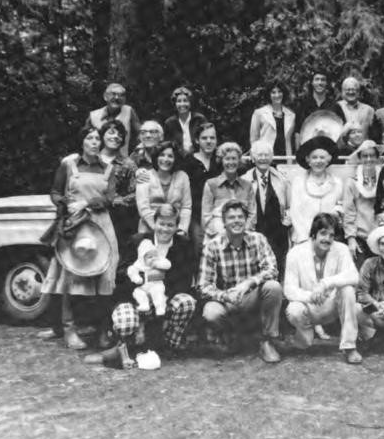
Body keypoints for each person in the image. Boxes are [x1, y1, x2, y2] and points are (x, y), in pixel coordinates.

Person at [85, 204, 199, 368]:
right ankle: (124, 348)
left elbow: (185, 279)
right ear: (155, 222)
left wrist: (161, 294)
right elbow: (122, 274)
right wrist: (145, 280)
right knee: (126, 321)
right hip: (136, 297)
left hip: (164, 297)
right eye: (161, 223)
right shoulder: (138, 241)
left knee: (186, 302)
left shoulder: (183, 244)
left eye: (170, 225)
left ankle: (170, 344)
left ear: (176, 226)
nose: (165, 229)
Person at [38, 128, 119, 350]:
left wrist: (87, 202)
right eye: (89, 138)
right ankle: (69, 329)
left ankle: (104, 330)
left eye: (97, 139)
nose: (94, 142)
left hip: (101, 226)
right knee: (71, 277)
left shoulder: (109, 168)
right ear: (82, 142)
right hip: (76, 225)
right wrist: (64, 204)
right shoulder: (69, 165)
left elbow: (110, 197)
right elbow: (55, 192)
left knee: (106, 277)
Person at [200, 199, 283, 363]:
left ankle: (267, 341)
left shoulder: (258, 239)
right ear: (223, 222)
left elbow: (272, 269)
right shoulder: (212, 246)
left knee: (274, 287)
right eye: (231, 217)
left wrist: (249, 283)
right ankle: (230, 335)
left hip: (252, 296)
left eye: (240, 217)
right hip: (227, 299)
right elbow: (203, 286)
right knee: (210, 312)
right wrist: (225, 296)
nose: (236, 220)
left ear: (246, 220)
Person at [284, 213, 363, 364]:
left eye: (331, 235)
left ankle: (349, 346)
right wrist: (310, 296)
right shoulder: (295, 253)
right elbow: (288, 289)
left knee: (347, 290)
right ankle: (306, 335)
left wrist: (326, 283)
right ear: (313, 234)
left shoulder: (341, 249)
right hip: (309, 306)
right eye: (323, 233)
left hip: (331, 305)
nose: (327, 239)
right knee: (294, 310)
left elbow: (354, 276)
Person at [241, 139, 291, 278]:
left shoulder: (281, 179)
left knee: (278, 264)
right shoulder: (245, 179)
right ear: (253, 157)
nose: (263, 158)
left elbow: (290, 205)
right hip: (255, 230)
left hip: (277, 231)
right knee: (256, 265)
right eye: (259, 155)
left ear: (271, 157)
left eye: (266, 155)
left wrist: (288, 219)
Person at [289, 135, 344, 245]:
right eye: (314, 157)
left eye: (322, 157)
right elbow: (295, 212)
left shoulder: (337, 182)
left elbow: (340, 205)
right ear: (308, 160)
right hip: (303, 238)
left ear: (328, 160)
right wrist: (305, 237)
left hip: (329, 239)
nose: (318, 161)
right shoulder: (299, 182)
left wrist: (336, 213)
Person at [201, 142, 257, 244]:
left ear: (239, 161)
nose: (231, 162)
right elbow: (206, 217)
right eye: (227, 159)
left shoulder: (247, 186)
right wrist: (223, 236)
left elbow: (252, 215)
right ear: (221, 161)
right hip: (216, 238)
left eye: (234, 158)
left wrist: (241, 234)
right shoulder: (211, 184)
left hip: (242, 237)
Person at [96, 122, 138, 254]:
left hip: (115, 218)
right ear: (102, 136)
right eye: (111, 132)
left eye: (120, 135)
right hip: (88, 214)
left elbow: (137, 192)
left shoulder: (128, 164)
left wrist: (119, 200)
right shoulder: (90, 159)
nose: (116, 137)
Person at [181, 122, 221, 261]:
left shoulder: (220, 161)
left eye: (212, 138)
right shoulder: (188, 162)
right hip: (195, 214)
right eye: (204, 138)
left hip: (217, 213)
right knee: (199, 246)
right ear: (197, 140)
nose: (209, 141)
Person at [135, 140, 191, 236]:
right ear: (156, 157)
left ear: (175, 159)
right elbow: (143, 208)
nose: (165, 159)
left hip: (175, 229)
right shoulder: (145, 176)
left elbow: (186, 207)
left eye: (170, 156)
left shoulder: (182, 176)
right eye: (162, 155)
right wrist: (158, 228)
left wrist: (182, 229)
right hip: (149, 229)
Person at [343, 140, 384, 266]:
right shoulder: (352, 182)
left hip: (382, 237)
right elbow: (349, 212)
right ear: (360, 158)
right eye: (365, 156)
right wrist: (351, 239)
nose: (369, 159)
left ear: (377, 158)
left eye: (372, 155)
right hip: (360, 238)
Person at [84, 83, 141, 156]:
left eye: (121, 95)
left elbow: (140, 134)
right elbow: (84, 139)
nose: (117, 98)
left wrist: (137, 153)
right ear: (105, 96)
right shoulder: (94, 115)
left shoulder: (129, 111)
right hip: (98, 162)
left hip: (122, 162)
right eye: (113, 94)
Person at [294, 68, 343, 143]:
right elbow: (297, 132)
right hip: (308, 148)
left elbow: (341, 130)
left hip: (329, 147)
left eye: (323, 80)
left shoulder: (335, 106)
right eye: (317, 79)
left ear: (327, 83)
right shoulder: (303, 105)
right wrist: (299, 153)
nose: (320, 83)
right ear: (312, 83)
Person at [249, 79, 297, 156]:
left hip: (285, 157)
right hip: (265, 156)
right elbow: (254, 139)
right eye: (273, 92)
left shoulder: (291, 115)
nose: (277, 95)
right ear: (269, 95)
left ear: (284, 93)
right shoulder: (259, 113)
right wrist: (255, 155)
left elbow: (290, 140)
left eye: (280, 91)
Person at [163, 86, 208, 157]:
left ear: (190, 102)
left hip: (199, 157)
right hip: (178, 160)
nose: (182, 104)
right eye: (179, 101)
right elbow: (167, 145)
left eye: (185, 101)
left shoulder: (199, 119)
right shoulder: (170, 123)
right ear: (175, 104)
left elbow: (207, 139)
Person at [336, 77, 378, 143]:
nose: (351, 92)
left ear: (358, 92)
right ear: (343, 92)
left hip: (363, 148)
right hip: (342, 148)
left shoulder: (369, 110)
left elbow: (374, 134)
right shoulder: (337, 107)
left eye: (354, 89)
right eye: (348, 90)